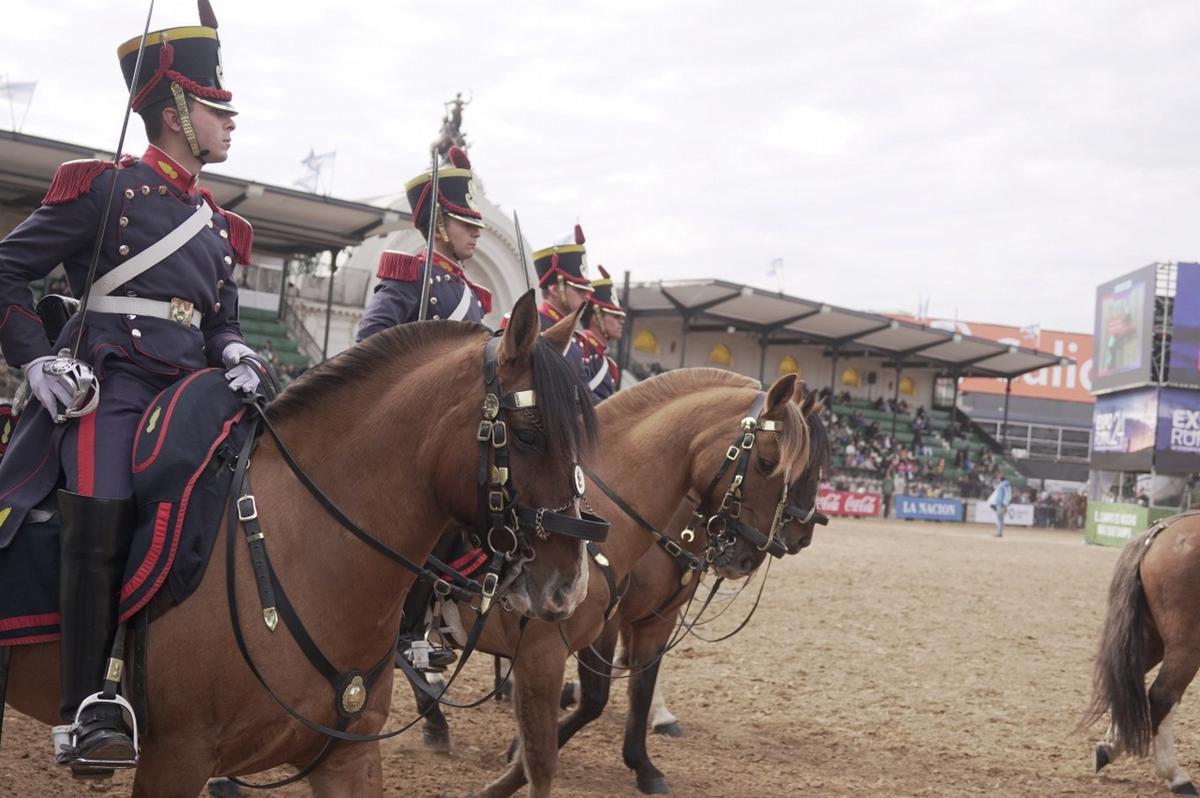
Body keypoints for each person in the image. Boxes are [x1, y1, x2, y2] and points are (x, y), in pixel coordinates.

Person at [0, 6, 257, 774]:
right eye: (218, 109)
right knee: (101, 508)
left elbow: (220, 321)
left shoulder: (217, 229)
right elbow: (7, 269)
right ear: (177, 109)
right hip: (110, 385)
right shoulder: (104, 190)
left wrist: (238, 348)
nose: (230, 123)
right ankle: (86, 707)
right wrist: (39, 362)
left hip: (196, 392)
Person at [355, 146, 491, 341]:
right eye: (466, 224)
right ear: (437, 228)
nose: (477, 233)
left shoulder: (472, 295)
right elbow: (370, 336)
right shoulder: (413, 276)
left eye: (476, 225)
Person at [532, 224, 593, 377]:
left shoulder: (575, 338)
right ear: (554, 288)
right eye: (579, 290)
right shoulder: (531, 326)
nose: (587, 296)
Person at [578, 265, 625, 403]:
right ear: (596, 318)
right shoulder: (581, 349)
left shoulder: (609, 365)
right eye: (615, 316)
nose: (621, 321)